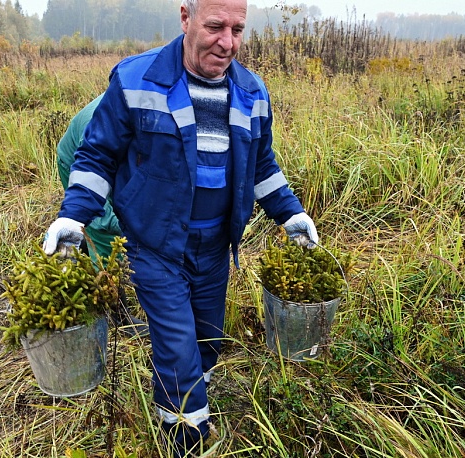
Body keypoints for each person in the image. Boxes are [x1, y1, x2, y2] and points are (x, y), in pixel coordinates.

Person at [43, 0, 319, 454]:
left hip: (215, 248)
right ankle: (185, 440)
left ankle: (186, 403)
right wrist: (74, 215)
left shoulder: (252, 91)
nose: (227, 43)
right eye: (215, 26)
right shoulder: (135, 80)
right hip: (155, 246)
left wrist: (290, 213)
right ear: (186, 18)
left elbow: (261, 165)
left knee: (208, 339)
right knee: (177, 347)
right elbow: (97, 156)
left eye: (237, 29)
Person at [56, 94, 149, 337]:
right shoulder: (100, 122)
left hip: (119, 162)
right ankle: (117, 314)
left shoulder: (152, 111)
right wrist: (130, 226)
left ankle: (79, 261)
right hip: (78, 163)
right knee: (102, 228)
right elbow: (96, 184)